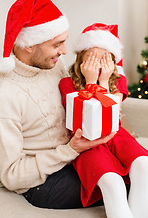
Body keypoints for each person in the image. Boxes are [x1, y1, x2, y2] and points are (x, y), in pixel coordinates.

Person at [0, 0, 115, 210]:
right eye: (57, 44)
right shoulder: (2, 96)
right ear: (29, 46)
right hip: (44, 182)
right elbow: (12, 176)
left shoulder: (51, 65)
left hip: (77, 157)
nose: (64, 51)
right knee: (122, 185)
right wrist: (69, 150)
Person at [59, 23, 148, 218]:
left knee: (143, 164)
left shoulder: (117, 81)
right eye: (92, 58)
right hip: (87, 141)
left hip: (115, 134)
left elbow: (108, 115)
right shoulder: (66, 84)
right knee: (112, 181)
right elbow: (89, 122)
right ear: (81, 61)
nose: (98, 65)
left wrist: (104, 83)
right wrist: (91, 82)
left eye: (105, 59)